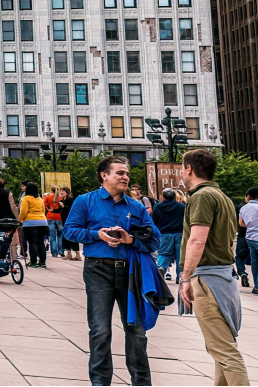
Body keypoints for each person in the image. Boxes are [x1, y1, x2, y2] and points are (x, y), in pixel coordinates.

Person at [65, 155, 160, 387]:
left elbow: (155, 239)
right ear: (104, 175)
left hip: (130, 273)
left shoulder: (136, 206)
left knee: (136, 332)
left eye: (127, 173)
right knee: (100, 331)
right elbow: (69, 231)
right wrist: (97, 234)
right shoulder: (85, 201)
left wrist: (130, 239)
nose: (126, 177)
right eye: (120, 173)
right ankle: (99, 383)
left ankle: (142, 383)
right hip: (98, 270)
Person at [172, 149, 247, 387]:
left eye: (182, 168)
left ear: (189, 169)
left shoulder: (201, 197)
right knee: (221, 347)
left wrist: (185, 278)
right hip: (223, 277)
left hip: (208, 279)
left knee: (224, 351)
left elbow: (197, 239)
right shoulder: (220, 196)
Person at [151, 189, 185, 292]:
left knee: (163, 253)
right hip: (180, 233)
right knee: (180, 255)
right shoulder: (181, 207)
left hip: (164, 233)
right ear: (175, 197)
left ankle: (161, 269)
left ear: (163, 197)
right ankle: (180, 276)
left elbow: (153, 221)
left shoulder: (157, 207)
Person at [18, 182, 49, 268]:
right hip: (42, 221)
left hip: (30, 222)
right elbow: (43, 211)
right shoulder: (40, 199)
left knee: (32, 243)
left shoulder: (26, 198)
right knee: (40, 242)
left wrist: (20, 220)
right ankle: (43, 262)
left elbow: (23, 211)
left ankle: (33, 261)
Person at [47, 187, 70, 262]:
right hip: (59, 217)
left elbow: (45, 206)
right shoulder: (61, 198)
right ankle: (61, 251)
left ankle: (54, 253)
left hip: (50, 216)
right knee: (60, 236)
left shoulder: (48, 197)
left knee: (52, 236)